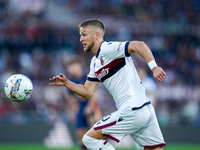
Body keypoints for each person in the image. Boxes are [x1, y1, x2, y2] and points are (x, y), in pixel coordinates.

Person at [49, 19, 166, 150]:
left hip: (132, 109)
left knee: (89, 139)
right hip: (144, 109)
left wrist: (154, 67)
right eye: (80, 35)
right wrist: (67, 83)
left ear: (97, 35)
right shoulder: (95, 62)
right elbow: (87, 91)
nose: (81, 39)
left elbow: (139, 45)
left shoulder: (108, 48)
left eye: (84, 34)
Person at [66, 59, 101, 150]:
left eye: (72, 66)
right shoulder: (71, 81)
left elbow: (94, 93)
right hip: (80, 107)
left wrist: (90, 107)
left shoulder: (87, 76)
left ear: (78, 65)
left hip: (91, 106)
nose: (70, 69)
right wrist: (71, 112)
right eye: (69, 67)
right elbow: (71, 98)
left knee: (94, 133)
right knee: (80, 134)